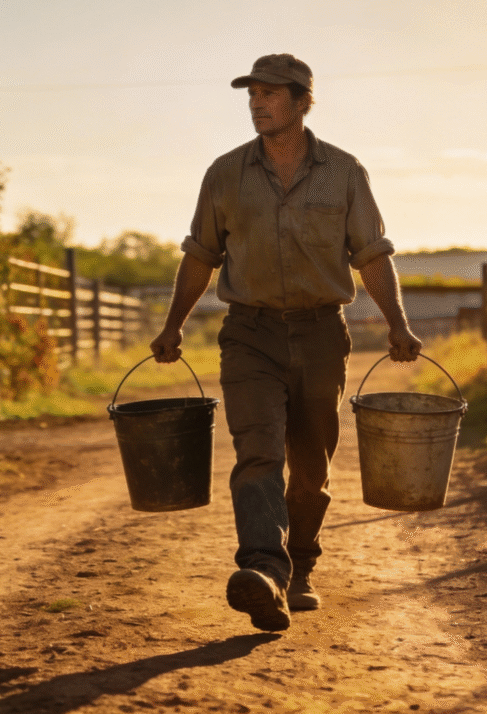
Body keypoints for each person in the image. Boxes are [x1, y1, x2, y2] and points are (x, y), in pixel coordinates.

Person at [149, 53, 422, 632]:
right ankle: (263, 571)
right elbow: (200, 255)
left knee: (309, 467)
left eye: (271, 95)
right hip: (249, 334)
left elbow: (372, 255)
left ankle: (300, 568)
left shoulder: (344, 173)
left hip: (323, 333)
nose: (257, 103)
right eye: (252, 94)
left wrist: (397, 323)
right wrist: (173, 324)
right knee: (259, 451)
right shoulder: (224, 173)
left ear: (302, 102)